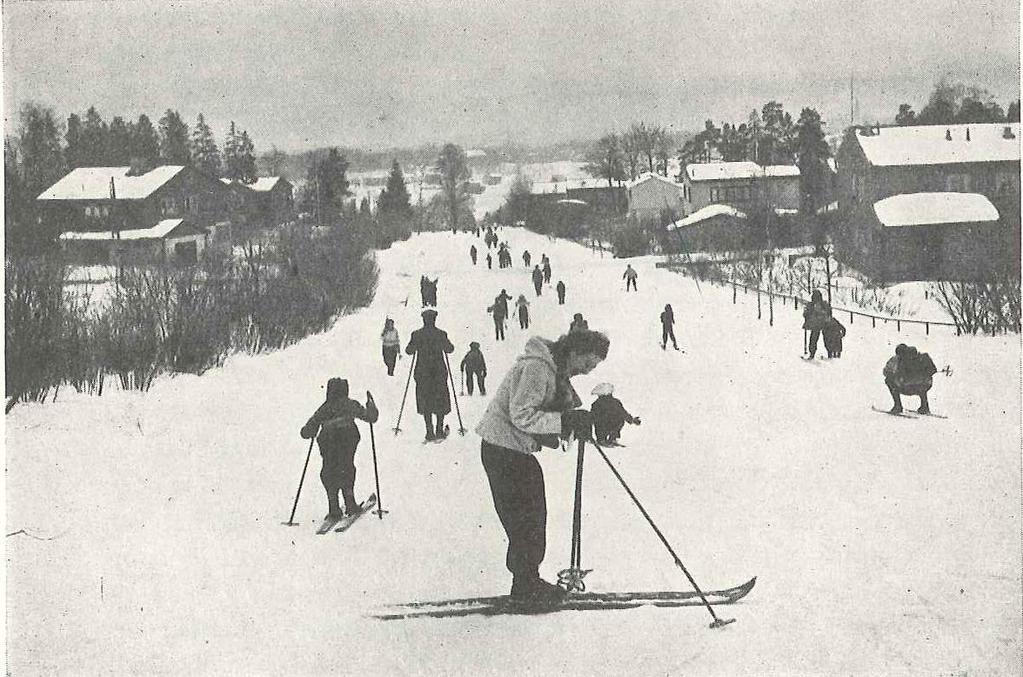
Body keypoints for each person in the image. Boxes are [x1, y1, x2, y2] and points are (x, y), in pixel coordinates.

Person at [476, 329, 610, 603]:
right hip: (503, 450)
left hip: (512, 449)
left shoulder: (552, 369)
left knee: (531, 518)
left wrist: (572, 421)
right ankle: (525, 586)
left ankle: (527, 581)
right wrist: (566, 421)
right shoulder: (538, 368)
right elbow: (522, 415)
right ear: (573, 352)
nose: (587, 371)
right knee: (525, 520)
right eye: (587, 364)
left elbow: (548, 411)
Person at [300, 379, 379, 518]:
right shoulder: (350, 404)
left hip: (328, 443)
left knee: (329, 471)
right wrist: (371, 405)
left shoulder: (324, 408)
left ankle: (333, 507)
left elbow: (306, 431)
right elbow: (370, 417)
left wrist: (309, 431)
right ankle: (350, 503)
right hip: (347, 441)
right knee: (347, 468)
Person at [405, 309, 456, 441]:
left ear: (423, 320)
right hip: (438, 373)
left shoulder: (416, 335)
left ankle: (429, 431)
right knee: (440, 400)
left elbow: (409, 351)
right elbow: (450, 349)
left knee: (425, 401)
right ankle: (439, 430)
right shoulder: (441, 334)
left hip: (423, 373)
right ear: (434, 319)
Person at [883, 344, 937, 414]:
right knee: (922, 382)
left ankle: (898, 406)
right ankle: (924, 406)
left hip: (907, 387)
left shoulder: (899, 360)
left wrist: (896, 376)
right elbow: (933, 370)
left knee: (889, 380)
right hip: (924, 386)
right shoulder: (924, 357)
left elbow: (886, 372)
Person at [802, 289, 832, 359]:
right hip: (824, 324)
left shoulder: (812, 305)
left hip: (817, 325)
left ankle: (812, 354)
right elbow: (829, 313)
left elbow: (805, 314)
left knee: (814, 340)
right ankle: (829, 354)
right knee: (826, 339)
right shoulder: (824, 304)